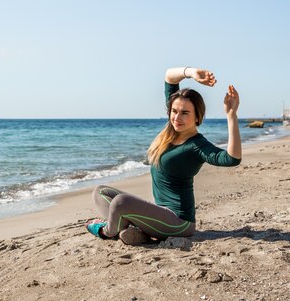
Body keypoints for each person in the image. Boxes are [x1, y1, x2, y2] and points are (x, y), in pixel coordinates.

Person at [85, 66, 242, 244]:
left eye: (185, 113)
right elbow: (169, 77)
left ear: (197, 117)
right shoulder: (171, 132)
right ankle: (136, 232)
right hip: (157, 212)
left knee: (121, 202)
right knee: (100, 192)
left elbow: (232, 159)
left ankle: (107, 231)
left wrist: (231, 116)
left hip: (179, 222)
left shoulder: (197, 144)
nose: (177, 117)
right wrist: (191, 73)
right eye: (174, 111)